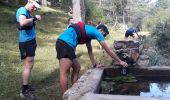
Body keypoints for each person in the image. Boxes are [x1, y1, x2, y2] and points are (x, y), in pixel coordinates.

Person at [55, 22, 128, 95]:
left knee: (77, 67)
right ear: (101, 31)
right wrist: (120, 61)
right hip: (64, 44)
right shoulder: (96, 32)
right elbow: (108, 50)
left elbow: (90, 51)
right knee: (64, 72)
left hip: (68, 46)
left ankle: (74, 90)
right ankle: (65, 96)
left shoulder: (88, 35)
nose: (103, 37)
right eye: (104, 34)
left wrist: (95, 65)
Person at [15, 0, 41, 99]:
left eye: (36, 8)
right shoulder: (22, 10)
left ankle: (26, 86)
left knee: (30, 65)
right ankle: (24, 91)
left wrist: (33, 20)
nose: (35, 9)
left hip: (30, 41)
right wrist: (34, 18)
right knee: (28, 65)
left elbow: (29, 25)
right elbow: (22, 22)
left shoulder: (28, 13)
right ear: (29, 1)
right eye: (34, 6)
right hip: (26, 42)